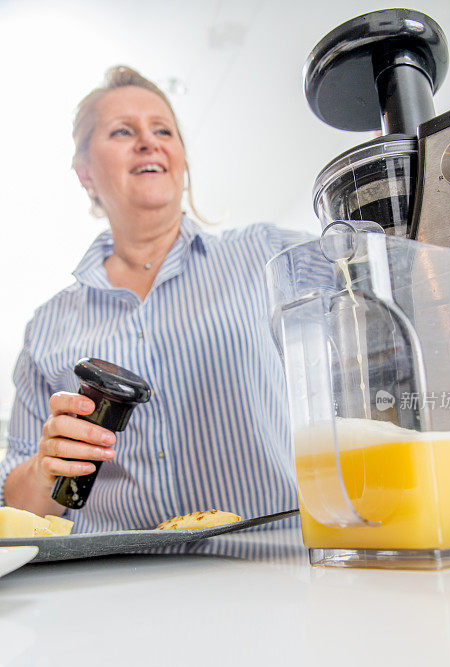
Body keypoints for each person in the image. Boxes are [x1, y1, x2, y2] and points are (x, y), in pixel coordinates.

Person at [0, 66, 304, 533]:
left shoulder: (263, 254)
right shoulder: (48, 325)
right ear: (84, 172)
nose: (148, 141)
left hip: (267, 565)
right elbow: (18, 510)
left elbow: (387, 268)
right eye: (123, 131)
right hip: (113, 581)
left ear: (179, 158)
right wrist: (45, 466)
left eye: (163, 130)